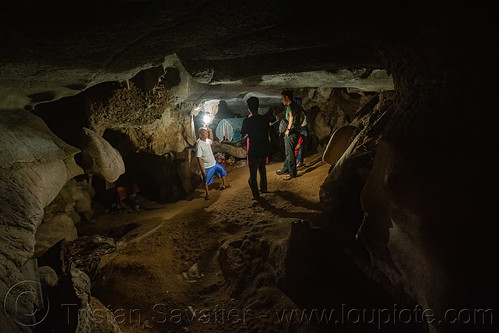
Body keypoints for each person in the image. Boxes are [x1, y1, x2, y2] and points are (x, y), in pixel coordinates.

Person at [241, 96, 270, 200]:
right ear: (258, 107)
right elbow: (267, 131)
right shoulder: (264, 119)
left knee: (252, 173)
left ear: (249, 108)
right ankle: (264, 188)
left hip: (253, 148)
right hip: (263, 147)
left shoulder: (247, 121)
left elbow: (243, 135)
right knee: (262, 168)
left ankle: (255, 194)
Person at [276, 89, 304, 180]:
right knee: (289, 152)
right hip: (296, 131)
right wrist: (298, 126)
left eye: (282, 98)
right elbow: (303, 116)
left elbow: (291, 117)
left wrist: (288, 129)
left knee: (290, 153)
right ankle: (285, 169)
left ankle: (292, 173)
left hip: (291, 132)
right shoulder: (297, 106)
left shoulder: (290, 106)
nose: (282, 100)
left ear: (287, 97)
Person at [196, 127, 229, 200]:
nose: (207, 134)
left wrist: (210, 131)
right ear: (200, 135)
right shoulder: (199, 144)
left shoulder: (207, 140)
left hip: (214, 163)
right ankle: (207, 194)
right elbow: (199, 158)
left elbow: (211, 140)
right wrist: (203, 169)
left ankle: (224, 185)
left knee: (222, 170)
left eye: (207, 133)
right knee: (206, 181)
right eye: (205, 133)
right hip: (207, 166)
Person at [293, 97, 308, 168]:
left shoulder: (300, 112)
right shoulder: (300, 111)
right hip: (302, 129)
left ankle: (300, 161)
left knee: (300, 146)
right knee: (299, 146)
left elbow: (300, 121)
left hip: (302, 130)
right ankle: (298, 160)